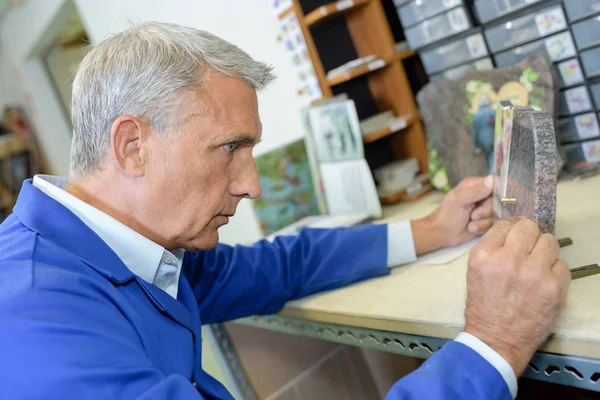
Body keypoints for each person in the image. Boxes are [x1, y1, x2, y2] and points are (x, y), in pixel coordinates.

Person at [0, 22, 570, 399]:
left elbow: (278, 267)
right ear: (132, 146)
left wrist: (430, 229)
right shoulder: (36, 329)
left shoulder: (125, 246)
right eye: (231, 148)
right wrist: (492, 343)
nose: (252, 185)